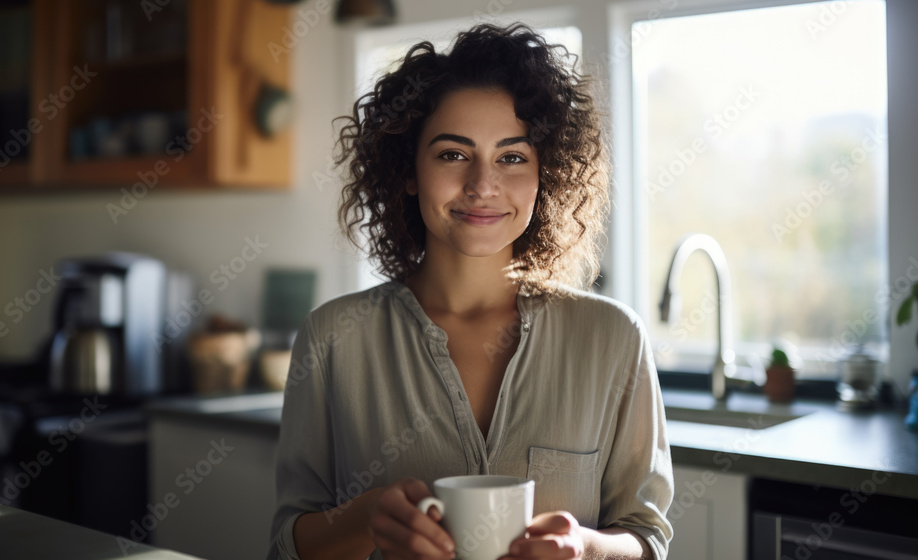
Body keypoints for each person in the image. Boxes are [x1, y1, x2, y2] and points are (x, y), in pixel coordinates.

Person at [267, 22, 673, 560]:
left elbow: (647, 538)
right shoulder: (331, 338)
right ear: (408, 170)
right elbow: (284, 545)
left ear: (543, 174)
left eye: (511, 157)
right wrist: (366, 518)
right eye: (453, 154)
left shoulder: (614, 338)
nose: (483, 185)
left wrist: (586, 547)